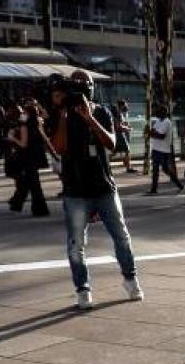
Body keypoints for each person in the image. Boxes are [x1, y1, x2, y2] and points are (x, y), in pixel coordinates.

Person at [47, 71, 143, 310]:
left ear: (92, 87)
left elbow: (112, 144)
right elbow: (58, 148)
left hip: (103, 186)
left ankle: (130, 279)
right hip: (75, 190)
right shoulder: (62, 114)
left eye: (86, 85)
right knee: (76, 243)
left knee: (121, 235)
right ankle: (83, 288)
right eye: (76, 86)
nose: (81, 89)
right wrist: (62, 114)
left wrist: (90, 119)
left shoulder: (101, 111)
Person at [8, 98, 51, 217]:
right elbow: (45, 116)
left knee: (32, 182)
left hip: (27, 156)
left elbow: (23, 143)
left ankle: (38, 208)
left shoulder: (25, 123)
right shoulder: (38, 121)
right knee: (29, 181)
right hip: (36, 155)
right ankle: (17, 203)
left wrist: (13, 138)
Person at [146, 104, 184, 194]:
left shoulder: (167, 122)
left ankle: (178, 183)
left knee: (165, 169)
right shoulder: (158, 121)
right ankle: (154, 189)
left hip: (164, 150)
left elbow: (161, 136)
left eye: (159, 111)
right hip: (156, 148)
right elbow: (153, 132)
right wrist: (153, 133)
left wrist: (152, 133)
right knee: (155, 170)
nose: (157, 113)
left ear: (164, 113)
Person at [111, 99, 134, 174]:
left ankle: (128, 167)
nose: (126, 107)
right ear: (122, 106)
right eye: (125, 105)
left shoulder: (116, 112)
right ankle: (128, 167)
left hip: (115, 134)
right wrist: (127, 128)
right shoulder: (117, 113)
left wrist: (125, 125)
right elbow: (118, 126)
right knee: (126, 150)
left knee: (114, 152)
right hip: (119, 134)